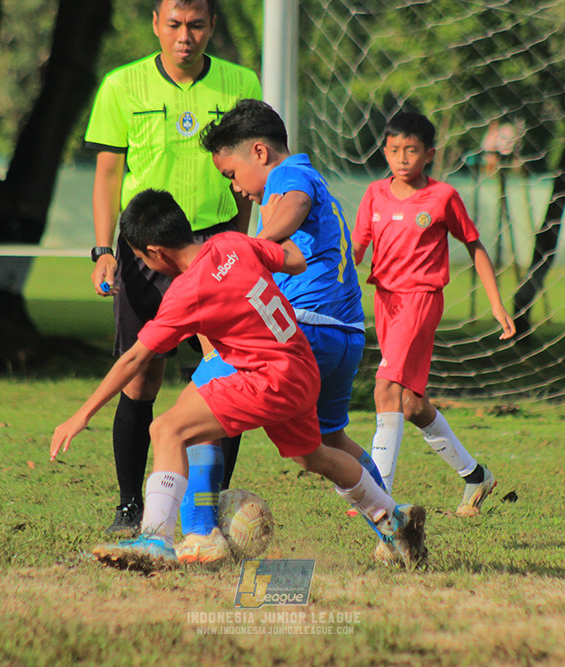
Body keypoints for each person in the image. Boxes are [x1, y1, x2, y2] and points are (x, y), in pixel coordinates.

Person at [49, 189, 427, 572]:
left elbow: (134, 357)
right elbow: (295, 260)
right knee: (313, 456)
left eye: (140, 256)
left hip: (267, 378)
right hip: (299, 365)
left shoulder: (186, 292)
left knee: (167, 428)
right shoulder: (231, 242)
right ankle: (393, 519)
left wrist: (81, 414)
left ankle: (155, 540)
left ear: (156, 253)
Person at [185, 99, 392, 565]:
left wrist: (256, 243)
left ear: (259, 152)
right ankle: (392, 526)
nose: (238, 190)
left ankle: (199, 533)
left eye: (232, 175)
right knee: (329, 442)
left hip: (303, 333)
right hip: (345, 335)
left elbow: (295, 203)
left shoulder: (288, 177)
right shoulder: (309, 177)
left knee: (195, 418)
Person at [82, 0, 262, 533]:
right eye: (176, 25)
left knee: (224, 375)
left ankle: (210, 507)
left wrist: (238, 243)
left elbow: (250, 168)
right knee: (142, 376)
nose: (186, 36)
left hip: (216, 244)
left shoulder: (240, 81)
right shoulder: (121, 85)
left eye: (198, 25)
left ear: (212, 26)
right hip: (146, 248)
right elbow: (108, 175)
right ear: (157, 25)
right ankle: (129, 506)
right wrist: (104, 249)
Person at [353, 110, 516, 522]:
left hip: (421, 299)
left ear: (429, 154)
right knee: (409, 404)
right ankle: (476, 475)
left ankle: (378, 497)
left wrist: (496, 303)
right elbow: (355, 249)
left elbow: (475, 245)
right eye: (393, 150)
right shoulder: (374, 193)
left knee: (384, 388)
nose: (401, 158)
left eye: (411, 150)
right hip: (385, 301)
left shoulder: (442, 197)